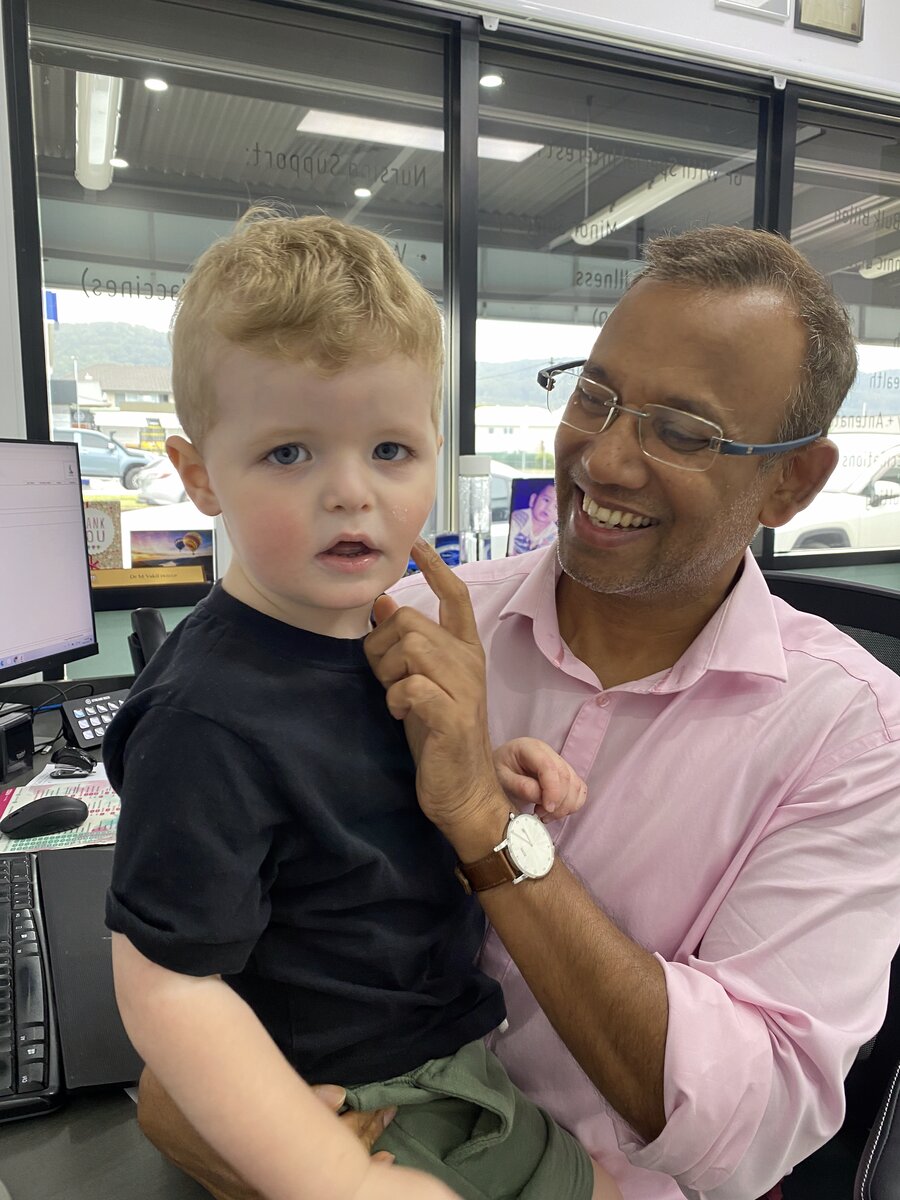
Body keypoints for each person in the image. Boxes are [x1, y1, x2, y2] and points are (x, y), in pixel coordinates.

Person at [361, 226, 900, 1200]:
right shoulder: (422, 625)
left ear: (793, 482)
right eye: (594, 396)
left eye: (683, 431)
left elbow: (748, 1124)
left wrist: (488, 823)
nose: (604, 461)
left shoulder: (852, 736)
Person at [104, 210, 619, 1200]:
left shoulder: (373, 630)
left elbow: (350, 804)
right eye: (290, 454)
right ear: (199, 474)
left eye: (391, 450)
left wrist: (490, 763)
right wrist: (333, 1180)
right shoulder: (204, 713)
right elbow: (165, 983)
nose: (352, 493)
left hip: (455, 1053)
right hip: (354, 1091)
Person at [509, 482, 557, 555]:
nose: (549, 508)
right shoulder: (519, 518)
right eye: (546, 500)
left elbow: (544, 557)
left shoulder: (554, 533)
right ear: (533, 499)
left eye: (556, 506)